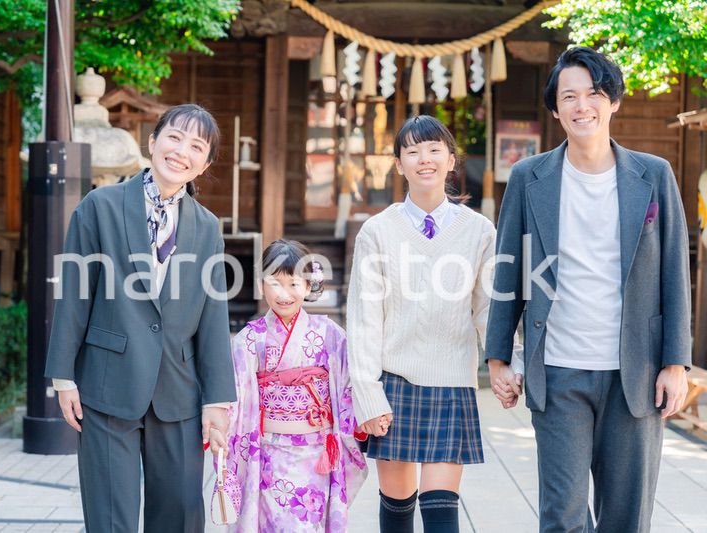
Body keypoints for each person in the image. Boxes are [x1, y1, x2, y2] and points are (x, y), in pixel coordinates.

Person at [485, 47, 691, 533]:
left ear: (613, 101)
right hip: (558, 372)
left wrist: (675, 363)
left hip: (635, 373)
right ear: (555, 108)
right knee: (563, 517)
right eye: (569, 96)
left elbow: (674, 275)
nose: (583, 106)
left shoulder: (654, 175)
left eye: (594, 93)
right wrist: (498, 359)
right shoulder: (528, 177)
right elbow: (508, 272)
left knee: (627, 517)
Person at [44, 104, 236, 532]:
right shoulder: (100, 207)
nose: (181, 151)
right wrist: (63, 377)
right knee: (110, 518)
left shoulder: (206, 228)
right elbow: (75, 293)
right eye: (174, 137)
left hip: (180, 394)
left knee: (180, 516)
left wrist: (217, 400)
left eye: (196, 146)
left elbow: (212, 317)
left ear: (204, 164)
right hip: (108, 384)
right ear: (152, 141)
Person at [347, 115, 510, 532]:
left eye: (435, 149)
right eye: (413, 151)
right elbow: (365, 318)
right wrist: (366, 393)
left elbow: (488, 308)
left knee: (441, 511)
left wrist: (504, 363)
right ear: (398, 164)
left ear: (451, 160)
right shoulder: (377, 231)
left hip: (452, 380)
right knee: (397, 508)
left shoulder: (479, 231)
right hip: (394, 381)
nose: (425, 159)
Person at [223, 239, 368, 532]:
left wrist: (363, 417)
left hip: (316, 456)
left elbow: (349, 386)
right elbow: (234, 396)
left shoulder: (329, 334)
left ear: (308, 284)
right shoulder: (250, 339)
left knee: (307, 524)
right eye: (275, 283)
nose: (284, 294)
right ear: (262, 284)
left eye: (293, 284)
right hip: (267, 455)